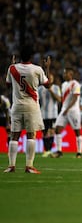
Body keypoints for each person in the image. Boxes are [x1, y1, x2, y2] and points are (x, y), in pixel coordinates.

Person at [4, 45, 51, 174]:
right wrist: (47, 68)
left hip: (17, 106)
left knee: (14, 135)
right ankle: (29, 166)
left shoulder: (12, 68)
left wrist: (11, 66)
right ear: (31, 57)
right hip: (31, 106)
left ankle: (11, 166)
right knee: (31, 135)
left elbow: (7, 84)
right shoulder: (37, 69)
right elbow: (48, 85)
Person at [51, 67, 82, 158]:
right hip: (64, 110)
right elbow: (63, 98)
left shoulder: (76, 84)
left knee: (77, 131)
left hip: (73, 111)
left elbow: (75, 97)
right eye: (64, 73)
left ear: (71, 74)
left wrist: (68, 108)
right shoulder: (64, 84)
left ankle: (79, 153)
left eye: (66, 73)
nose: (64, 75)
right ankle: (59, 151)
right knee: (57, 129)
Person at [38, 72, 61, 157]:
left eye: (51, 78)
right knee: (44, 133)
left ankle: (49, 150)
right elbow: (37, 101)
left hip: (53, 114)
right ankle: (47, 150)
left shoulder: (56, 88)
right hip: (43, 114)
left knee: (51, 132)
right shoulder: (39, 89)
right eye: (48, 78)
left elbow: (59, 99)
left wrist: (50, 90)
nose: (49, 79)